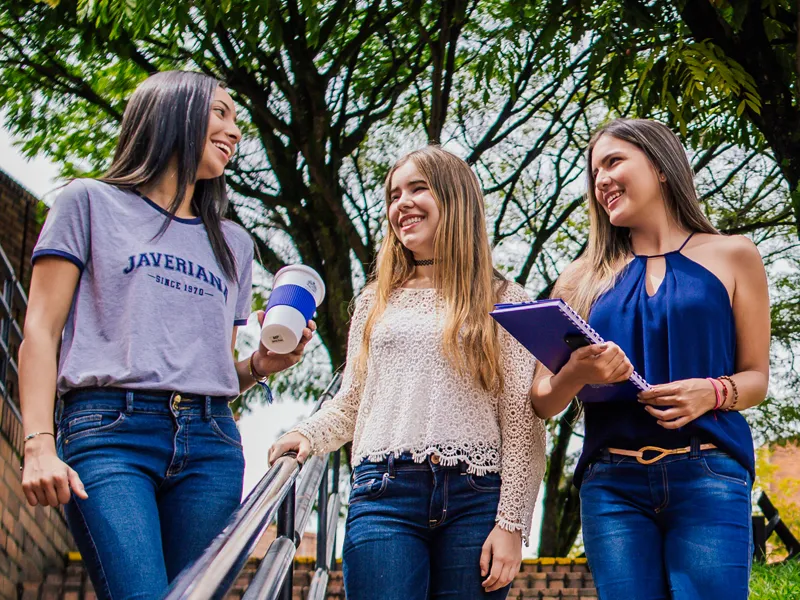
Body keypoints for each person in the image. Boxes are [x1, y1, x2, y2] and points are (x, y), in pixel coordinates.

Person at [19, 70, 314, 600]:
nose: (235, 131)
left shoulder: (233, 243)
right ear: (171, 113)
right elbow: (40, 329)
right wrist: (39, 444)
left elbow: (211, 366)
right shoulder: (88, 203)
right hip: (109, 433)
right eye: (219, 113)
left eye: (237, 121)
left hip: (210, 441)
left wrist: (256, 369)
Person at [269, 146, 546, 600]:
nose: (402, 203)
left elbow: (521, 418)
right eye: (394, 195)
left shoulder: (505, 297)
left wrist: (512, 523)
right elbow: (354, 401)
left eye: (418, 189)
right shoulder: (376, 299)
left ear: (456, 200)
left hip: (476, 498)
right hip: (384, 494)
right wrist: (309, 435)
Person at [529, 118, 770, 599]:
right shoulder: (579, 278)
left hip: (710, 474)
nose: (601, 180)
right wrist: (578, 370)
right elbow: (541, 401)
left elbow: (757, 378)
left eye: (614, 161)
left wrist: (713, 391)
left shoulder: (734, 254)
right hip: (611, 487)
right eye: (594, 171)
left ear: (661, 165)